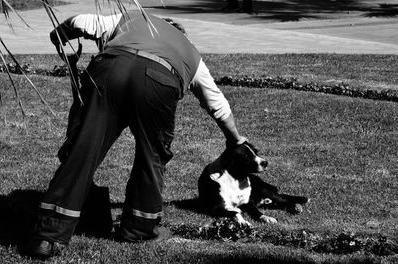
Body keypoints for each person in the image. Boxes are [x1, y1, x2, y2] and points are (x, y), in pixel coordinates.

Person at [27, 10, 248, 259]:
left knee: (82, 149)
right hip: (159, 81)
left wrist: (60, 35)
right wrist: (234, 138)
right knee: (151, 157)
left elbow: (80, 22)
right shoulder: (191, 54)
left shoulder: (132, 18)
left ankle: (48, 236)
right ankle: (139, 228)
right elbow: (218, 104)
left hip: (110, 69)